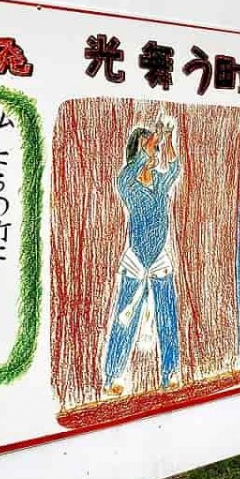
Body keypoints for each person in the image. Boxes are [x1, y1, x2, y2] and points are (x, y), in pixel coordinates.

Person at [101, 118, 181, 396]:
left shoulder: (159, 182)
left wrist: (168, 139)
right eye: (147, 148)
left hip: (159, 258)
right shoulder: (127, 183)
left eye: (154, 149)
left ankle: (170, 371)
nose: (153, 152)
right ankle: (114, 375)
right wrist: (148, 146)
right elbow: (128, 173)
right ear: (135, 154)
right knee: (125, 319)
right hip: (136, 260)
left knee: (167, 318)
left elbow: (175, 169)